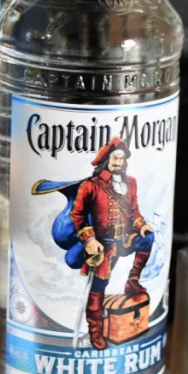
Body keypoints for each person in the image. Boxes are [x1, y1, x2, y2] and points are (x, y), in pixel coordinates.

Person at [70, 137, 154, 350]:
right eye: (114, 158)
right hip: (103, 245)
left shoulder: (131, 182)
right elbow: (77, 214)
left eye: (121, 158)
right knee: (98, 289)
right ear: (106, 160)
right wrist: (89, 239)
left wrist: (141, 224)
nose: (118, 162)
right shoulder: (90, 185)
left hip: (125, 239)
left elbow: (134, 211)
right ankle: (95, 331)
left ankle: (133, 281)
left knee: (148, 238)